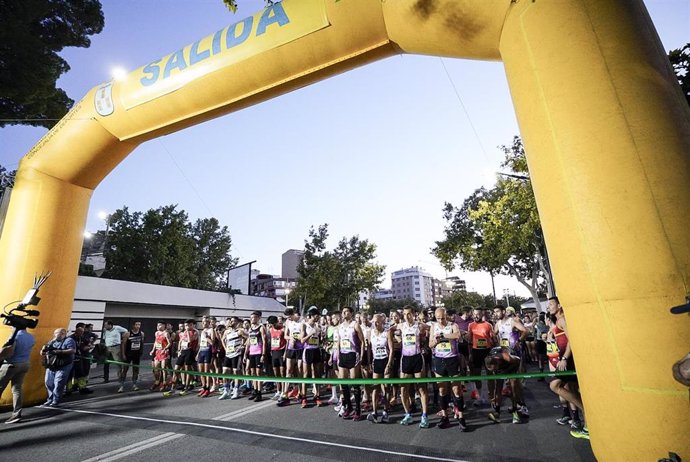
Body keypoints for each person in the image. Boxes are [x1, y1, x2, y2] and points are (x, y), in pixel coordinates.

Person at [546, 296, 588, 440]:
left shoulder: (563, 319)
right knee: (572, 389)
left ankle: (584, 410)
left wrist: (564, 358)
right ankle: (587, 424)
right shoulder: (557, 321)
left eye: (551, 304)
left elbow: (572, 340)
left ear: (559, 305)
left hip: (568, 360)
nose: (548, 307)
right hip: (566, 359)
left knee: (554, 385)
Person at [429, 307, 467, 431]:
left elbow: (457, 335)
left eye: (443, 318)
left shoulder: (453, 325)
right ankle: (445, 417)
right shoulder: (433, 326)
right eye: (438, 318)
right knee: (442, 390)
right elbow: (430, 344)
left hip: (452, 359)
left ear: (447, 316)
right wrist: (435, 342)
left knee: (456, 389)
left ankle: (461, 417)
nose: (440, 321)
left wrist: (443, 335)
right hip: (439, 360)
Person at [398, 305, 430, 428]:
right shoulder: (401, 326)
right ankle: (407, 414)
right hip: (405, 358)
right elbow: (388, 330)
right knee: (403, 389)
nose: (406, 316)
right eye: (405, 314)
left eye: (409, 314)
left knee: (421, 388)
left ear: (414, 314)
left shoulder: (420, 325)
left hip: (417, 357)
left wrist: (427, 343)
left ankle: (424, 415)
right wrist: (395, 340)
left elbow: (432, 328)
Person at [0, 328, 35, 423]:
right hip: (25, 364)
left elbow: (8, 353)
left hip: (11, 365)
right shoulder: (31, 337)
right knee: (17, 389)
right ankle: (16, 414)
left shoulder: (15, 336)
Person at [336, 306, 365, 420]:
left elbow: (362, 341)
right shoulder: (340, 327)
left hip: (353, 354)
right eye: (343, 312)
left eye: (346, 311)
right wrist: (337, 355)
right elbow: (338, 342)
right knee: (343, 383)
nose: (344, 313)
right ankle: (348, 407)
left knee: (354, 383)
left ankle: (358, 409)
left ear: (351, 313)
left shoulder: (355, 325)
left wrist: (361, 355)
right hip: (343, 355)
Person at [485, 347, 526, 424]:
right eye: (492, 370)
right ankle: (497, 411)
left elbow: (518, 360)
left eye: (495, 369)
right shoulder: (488, 360)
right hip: (500, 366)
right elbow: (493, 378)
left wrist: (507, 372)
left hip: (513, 364)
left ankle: (515, 410)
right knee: (498, 387)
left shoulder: (506, 357)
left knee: (513, 387)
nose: (494, 371)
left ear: (497, 363)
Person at [367, 313, 393, 423]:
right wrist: (369, 362)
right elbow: (368, 349)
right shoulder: (371, 333)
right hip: (376, 361)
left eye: (378, 322)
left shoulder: (387, 333)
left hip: (385, 360)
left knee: (386, 387)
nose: (376, 324)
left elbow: (391, 349)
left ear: (382, 322)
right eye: (374, 322)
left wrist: (389, 364)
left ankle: (386, 411)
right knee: (375, 387)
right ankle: (374, 411)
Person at [40, 328, 76, 407]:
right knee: (48, 382)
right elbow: (45, 351)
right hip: (52, 364)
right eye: (55, 333)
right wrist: (43, 351)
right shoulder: (52, 341)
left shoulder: (69, 340)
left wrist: (59, 351)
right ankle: (50, 399)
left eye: (58, 333)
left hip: (64, 365)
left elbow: (72, 350)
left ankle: (55, 400)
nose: (56, 335)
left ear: (63, 334)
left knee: (58, 383)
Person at [467, 308, 494, 405]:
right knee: (477, 374)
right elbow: (469, 341)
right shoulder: (471, 325)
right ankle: (480, 397)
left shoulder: (488, 325)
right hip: (476, 352)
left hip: (487, 351)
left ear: (482, 314)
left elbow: (493, 339)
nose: (475, 316)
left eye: (477, 314)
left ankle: (492, 397)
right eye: (474, 314)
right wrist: (470, 354)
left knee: (490, 374)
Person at [120, 321, 145, 392]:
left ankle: (134, 385)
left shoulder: (142, 334)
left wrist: (141, 352)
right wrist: (123, 354)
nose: (138, 326)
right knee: (124, 370)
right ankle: (121, 386)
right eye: (136, 324)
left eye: (139, 325)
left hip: (136, 355)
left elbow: (142, 344)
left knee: (136, 370)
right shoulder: (127, 334)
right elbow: (123, 345)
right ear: (133, 325)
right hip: (128, 354)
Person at [150, 322, 172, 391]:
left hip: (164, 353)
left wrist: (165, 349)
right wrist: (153, 350)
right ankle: (157, 381)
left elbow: (169, 343)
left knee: (163, 369)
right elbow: (155, 342)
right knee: (156, 369)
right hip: (157, 352)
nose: (158, 326)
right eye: (157, 325)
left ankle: (164, 383)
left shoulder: (166, 333)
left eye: (160, 325)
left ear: (163, 326)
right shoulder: (156, 333)